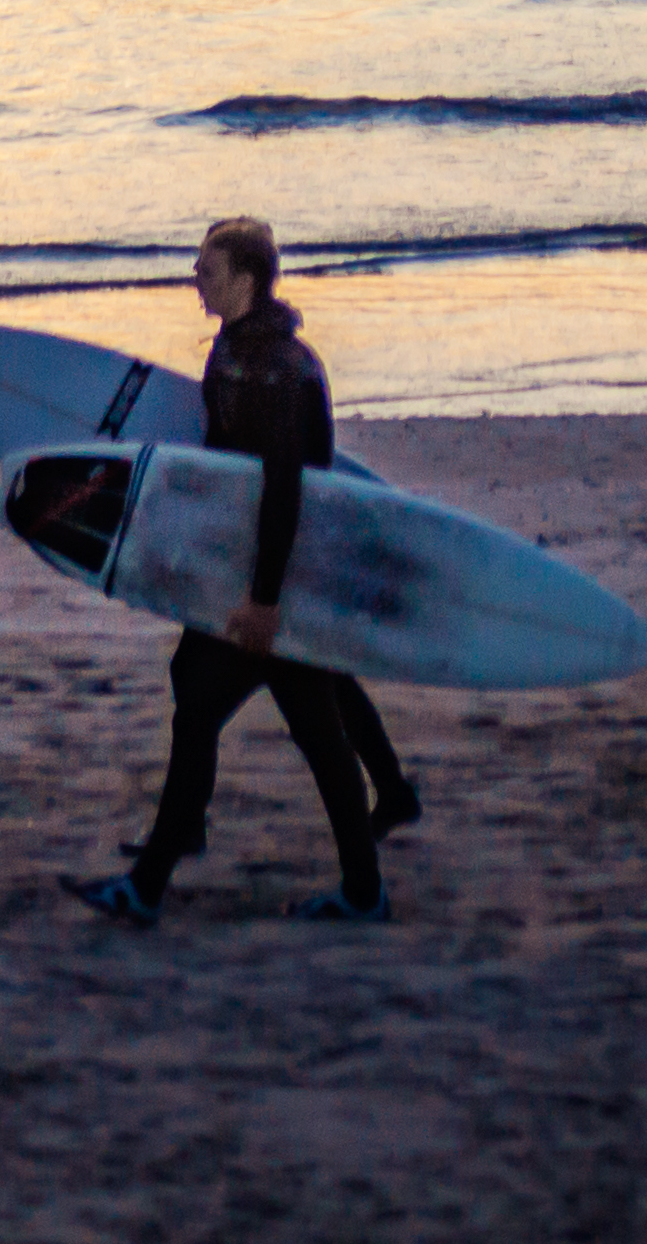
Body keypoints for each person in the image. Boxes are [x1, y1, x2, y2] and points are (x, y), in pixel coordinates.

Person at [71, 216, 422, 927]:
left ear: (245, 278)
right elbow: (225, 472)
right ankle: (359, 879)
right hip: (259, 569)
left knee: (229, 708)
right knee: (264, 712)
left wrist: (263, 600)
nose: (195, 277)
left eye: (207, 266)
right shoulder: (233, 350)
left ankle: (151, 880)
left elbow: (286, 487)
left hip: (281, 573)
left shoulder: (276, 370)